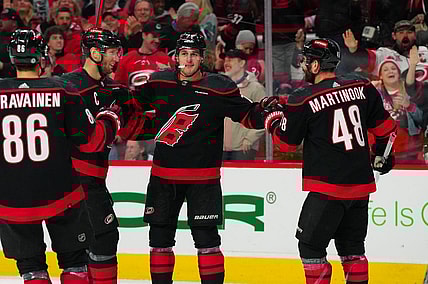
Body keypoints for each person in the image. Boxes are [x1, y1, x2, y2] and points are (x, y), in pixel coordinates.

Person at [123, 31, 276, 284]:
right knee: (159, 239)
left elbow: (247, 114)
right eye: (184, 54)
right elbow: (131, 106)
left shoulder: (219, 87)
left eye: (194, 54)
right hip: (163, 176)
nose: (189, 59)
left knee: (207, 240)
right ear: (176, 57)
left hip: (203, 179)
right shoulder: (158, 83)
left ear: (202, 57)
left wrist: (266, 111)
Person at [264, 38, 397, 284]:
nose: (303, 65)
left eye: (306, 61)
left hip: (327, 189)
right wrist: (382, 154)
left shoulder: (302, 97)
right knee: (353, 251)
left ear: (315, 66)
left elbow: (286, 144)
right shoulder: (362, 86)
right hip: (360, 187)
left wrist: (272, 119)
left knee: (310, 248)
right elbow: (386, 127)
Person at [0, 28, 120, 284]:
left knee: (32, 270)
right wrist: (110, 118)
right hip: (61, 195)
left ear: (12, 57)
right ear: (42, 56)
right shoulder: (63, 90)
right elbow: (92, 142)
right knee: (75, 264)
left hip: (12, 200)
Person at [61, 27, 143, 284]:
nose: (117, 58)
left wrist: (129, 105)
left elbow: (136, 129)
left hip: (93, 180)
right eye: (111, 53)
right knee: (101, 240)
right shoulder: (69, 87)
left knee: (95, 244)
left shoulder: (110, 88)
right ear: (95, 53)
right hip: (76, 180)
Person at [373, 55, 425, 163]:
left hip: (409, 152)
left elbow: (421, 121)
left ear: (398, 73)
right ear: (381, 76)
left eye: (393, 68)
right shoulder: (375, 93)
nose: (390, 71)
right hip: (382, 151)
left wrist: (409, 105)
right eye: (385, 69)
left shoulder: (410, 92)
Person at [221, 49, 265, 161]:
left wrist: (249, 139)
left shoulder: (255, 88)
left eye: (230, 60)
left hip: (244, 148)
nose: (226, 63)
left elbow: (264, 116)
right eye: (225, 60)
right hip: (222, 147)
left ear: (242, 63)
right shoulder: (221, 87)